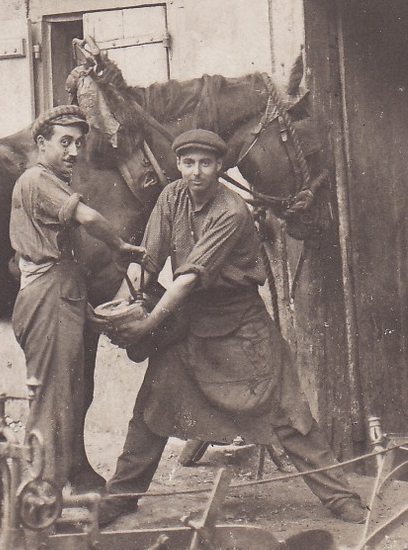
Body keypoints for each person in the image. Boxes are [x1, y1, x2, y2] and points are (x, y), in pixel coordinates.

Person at [102, 128, 369, 525]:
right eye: (188, 163)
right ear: (178, 165)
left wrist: (147, 326)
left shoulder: (231, 211)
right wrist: (128, 298)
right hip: (191, 323)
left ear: (220, 167)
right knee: (153, 405)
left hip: (241, 327)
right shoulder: (170, 196)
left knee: (287, 412)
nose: (196, 172)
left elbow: (189, 277)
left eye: (206, 164)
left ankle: (342, 499)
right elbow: (149, 258)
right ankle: (121, 495)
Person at [10, 105, 146, 496]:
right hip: (48, 296)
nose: (73, 151)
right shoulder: (37, 179)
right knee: (52, 401)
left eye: (78, 143)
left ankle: (44, 493)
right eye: (64, 142)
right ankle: (40, 497)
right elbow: (88, 219)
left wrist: (80, 308)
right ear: (41, 144)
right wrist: (119, 245)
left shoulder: (51, 181)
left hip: (61, 294)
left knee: (63, 395)